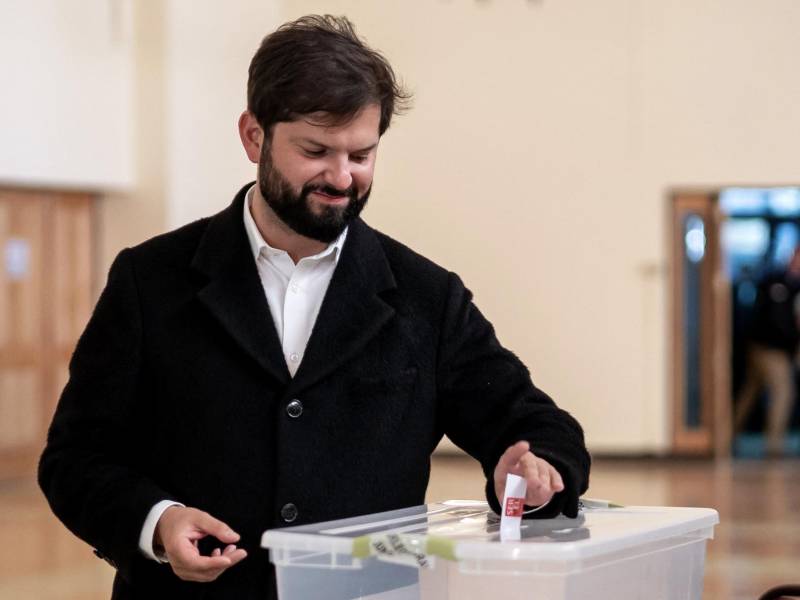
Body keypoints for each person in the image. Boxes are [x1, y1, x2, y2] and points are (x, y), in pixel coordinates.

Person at [38, 15, 590, 600]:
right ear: (254, 136)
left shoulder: (428, 297)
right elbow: (76, 457)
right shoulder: (149, 280)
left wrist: (538, 470)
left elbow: (539, 427)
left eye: (362, 154)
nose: (342, 177)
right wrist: (157, 521)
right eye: (316, 150)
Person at [734, 246, 800, 457]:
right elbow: (778, 320)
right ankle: (774, 447)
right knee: (783, 392)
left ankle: (725, 438)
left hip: (776, 349)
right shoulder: (776, 281)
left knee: (749, 394)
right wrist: (792, 339)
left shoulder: (795, 286)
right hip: (768, 348)